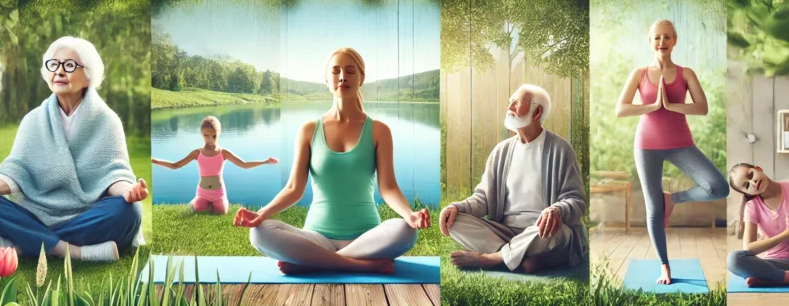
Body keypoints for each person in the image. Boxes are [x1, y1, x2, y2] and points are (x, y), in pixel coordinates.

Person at [233, 48, 428, 274]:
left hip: (367, 238)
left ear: (361, 78)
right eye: (336, 71)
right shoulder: (308, 130)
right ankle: (356, 265)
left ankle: (311, 262)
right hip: (316, 238)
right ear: (327, 79)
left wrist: (409, 214)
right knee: (259, 232)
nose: (343, 77)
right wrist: (261, 214)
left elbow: (388, 188)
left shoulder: (379, 131)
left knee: (407, 230)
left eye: (350, 71)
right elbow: (294, 188)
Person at [0, 37, 147, 262]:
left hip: (85, 216)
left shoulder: (107, 121)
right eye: (54, 65)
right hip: (36, 215)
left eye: (69, 65)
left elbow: (113, 174)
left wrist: (128, 191)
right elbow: (17, 172)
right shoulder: (33, 120)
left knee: (128, 211)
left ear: (88, 78)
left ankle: (26, 244)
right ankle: (71, 251)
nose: (59, 71)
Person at [615, 19, 728, 285]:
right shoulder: (639, 73)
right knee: (654, 209)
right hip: (646, 146)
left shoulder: (685, 73)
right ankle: (664, 266)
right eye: (657, 37)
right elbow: (621, 109)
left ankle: (673, 199)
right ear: (650, 41)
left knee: (719, 187)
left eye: (667, 37)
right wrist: (653, 106)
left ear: (674, 41)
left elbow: (702, 107)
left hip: (681, 144)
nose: (662, 42)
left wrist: (671, 105)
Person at [440, 84, 586, 273]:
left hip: (541, 232)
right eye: (510, 102)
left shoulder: (561, 149)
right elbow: (482, 199)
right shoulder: (501, 151)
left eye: (517, 102)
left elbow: (576, 201)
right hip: (504, 232)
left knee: (556, 231)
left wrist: (558, 210)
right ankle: (526, 257)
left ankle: (493, 258)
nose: (510, 108)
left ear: (537, 112)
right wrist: (456, 208)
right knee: (454, 222)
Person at [152, 116, 277, 214]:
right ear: (201, 133)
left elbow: (244, 164)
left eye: (214, 136)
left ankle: (222, 201)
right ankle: (197, 200)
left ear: (219, 133)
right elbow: (175, 165)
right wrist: (155, 161)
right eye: (206, 135)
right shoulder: (197, 153)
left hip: (218, 193)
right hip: (202, 193)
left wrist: (265, 161)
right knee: (199, 210)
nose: (210, 139)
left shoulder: (224, 152)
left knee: (221, 212)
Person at [727, 163, 789, 287]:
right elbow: (749, 248)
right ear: (747, 193)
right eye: (747, 185)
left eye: (750, 175)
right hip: (774, 263)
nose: (753, 182)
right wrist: (786, 234)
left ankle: (777, 278)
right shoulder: (752, 206)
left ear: (758, 168)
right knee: (733, 259)